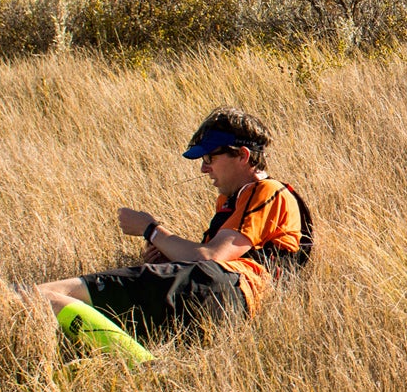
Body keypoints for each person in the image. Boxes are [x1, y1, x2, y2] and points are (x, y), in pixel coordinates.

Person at [33, 107, 311, 364]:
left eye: (210, 157)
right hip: (225, 298)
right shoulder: (232, 202)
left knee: (44, 296)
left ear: (242, 156)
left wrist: (150, 229)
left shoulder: (267, 191)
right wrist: (164, 254)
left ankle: (142, 368)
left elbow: (211, 258)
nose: (204, 168)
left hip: (222, 288)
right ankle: (138, 365)